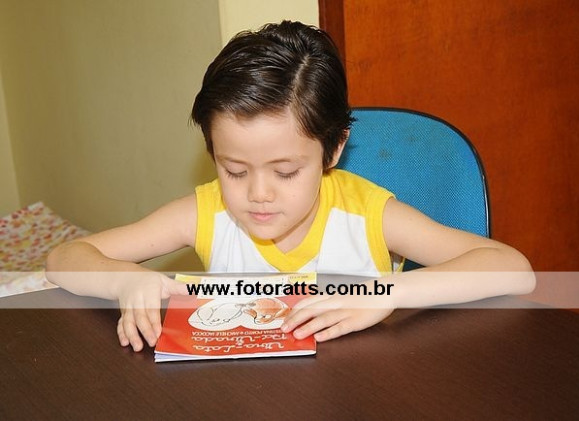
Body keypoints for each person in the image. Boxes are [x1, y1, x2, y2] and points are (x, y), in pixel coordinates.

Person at [46, 21, 535, 352]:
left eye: (285, 172)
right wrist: (124, 280)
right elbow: (64, 258)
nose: (258, 194)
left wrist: (388, 291)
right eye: (234, 170)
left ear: (333, 149)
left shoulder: (367, 215)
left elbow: (513, 269)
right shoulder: (205, 213)